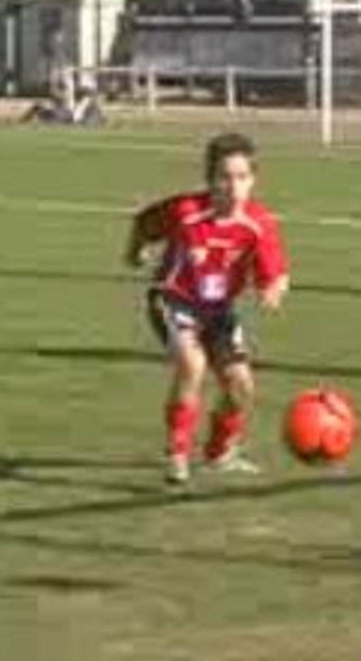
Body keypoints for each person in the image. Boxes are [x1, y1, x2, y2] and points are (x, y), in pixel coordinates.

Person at [123, 133, 288, 486]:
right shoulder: (186, 212)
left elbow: (275, 272)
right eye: (224, 177)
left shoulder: (258, 224)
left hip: (218, 310)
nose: (233, 186)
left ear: (253, 180)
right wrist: (135, 252)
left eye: (242, 177)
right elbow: (144, 223)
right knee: (192, 364)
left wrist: (272, 288)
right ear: (210, 179)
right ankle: (177, 452)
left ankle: (219, 452)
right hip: (173, 298)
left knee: (241, 386)